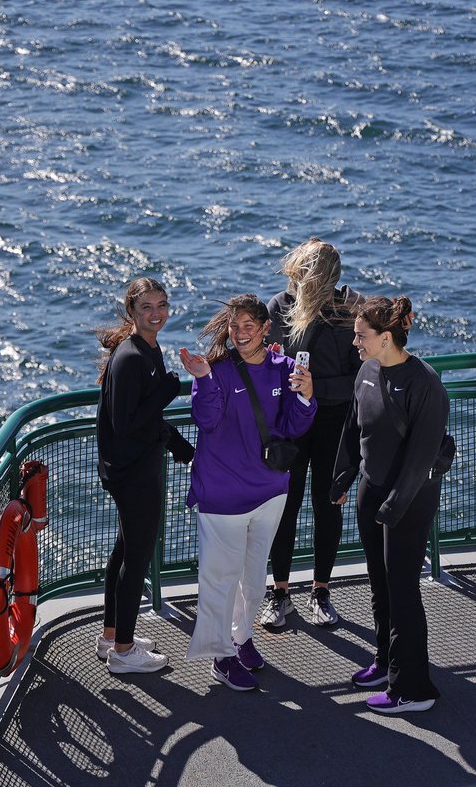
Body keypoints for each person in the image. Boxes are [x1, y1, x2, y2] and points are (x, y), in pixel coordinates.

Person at [178, 294, 316, 691]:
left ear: (265, 328)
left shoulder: (284, 368)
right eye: (234, 327)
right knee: (219, 578)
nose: (240, 334)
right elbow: (205, 418)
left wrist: (306, 395)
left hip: (270, 492)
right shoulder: (216, 370)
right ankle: (220, 656)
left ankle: (241, 638)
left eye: (248, 327)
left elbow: (293, 427)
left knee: (254, 580)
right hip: (222, 496)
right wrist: (202, 379)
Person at [330, 295, 447, 714]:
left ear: (386, 337)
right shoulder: (366, 371)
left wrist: (393, 507)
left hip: (408, 500)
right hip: (372, 491)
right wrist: (343, 477)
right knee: (379, 584)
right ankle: (386, 661)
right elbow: (353, 429)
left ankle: (414, 688)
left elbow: (421, 457)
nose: (356, 343)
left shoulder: (425, 383)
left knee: (402, 591)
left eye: (362, 336)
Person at [95, 277, 195, 674]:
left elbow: (146, 416)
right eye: (147, 308)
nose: (156, 314)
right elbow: (125, 422)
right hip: (133, 474)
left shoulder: (147, 349)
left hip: (135, 468)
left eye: (162, 305)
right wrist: (167, 393)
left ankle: (111, 636)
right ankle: (124, 651)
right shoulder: (132, 356)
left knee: (123, 552)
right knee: (135, 560)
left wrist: (176, 444)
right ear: (131, 313)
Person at [262, 237, 363, 629]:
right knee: (285, 507)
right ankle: (281, 592)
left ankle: (321, 589)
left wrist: (315, 387)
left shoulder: (350, 311)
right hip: (291, 423)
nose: (303, 285)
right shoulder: (279, 307)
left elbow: (360, 378)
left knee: (328, 505)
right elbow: (267, 366)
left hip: (333, 423)